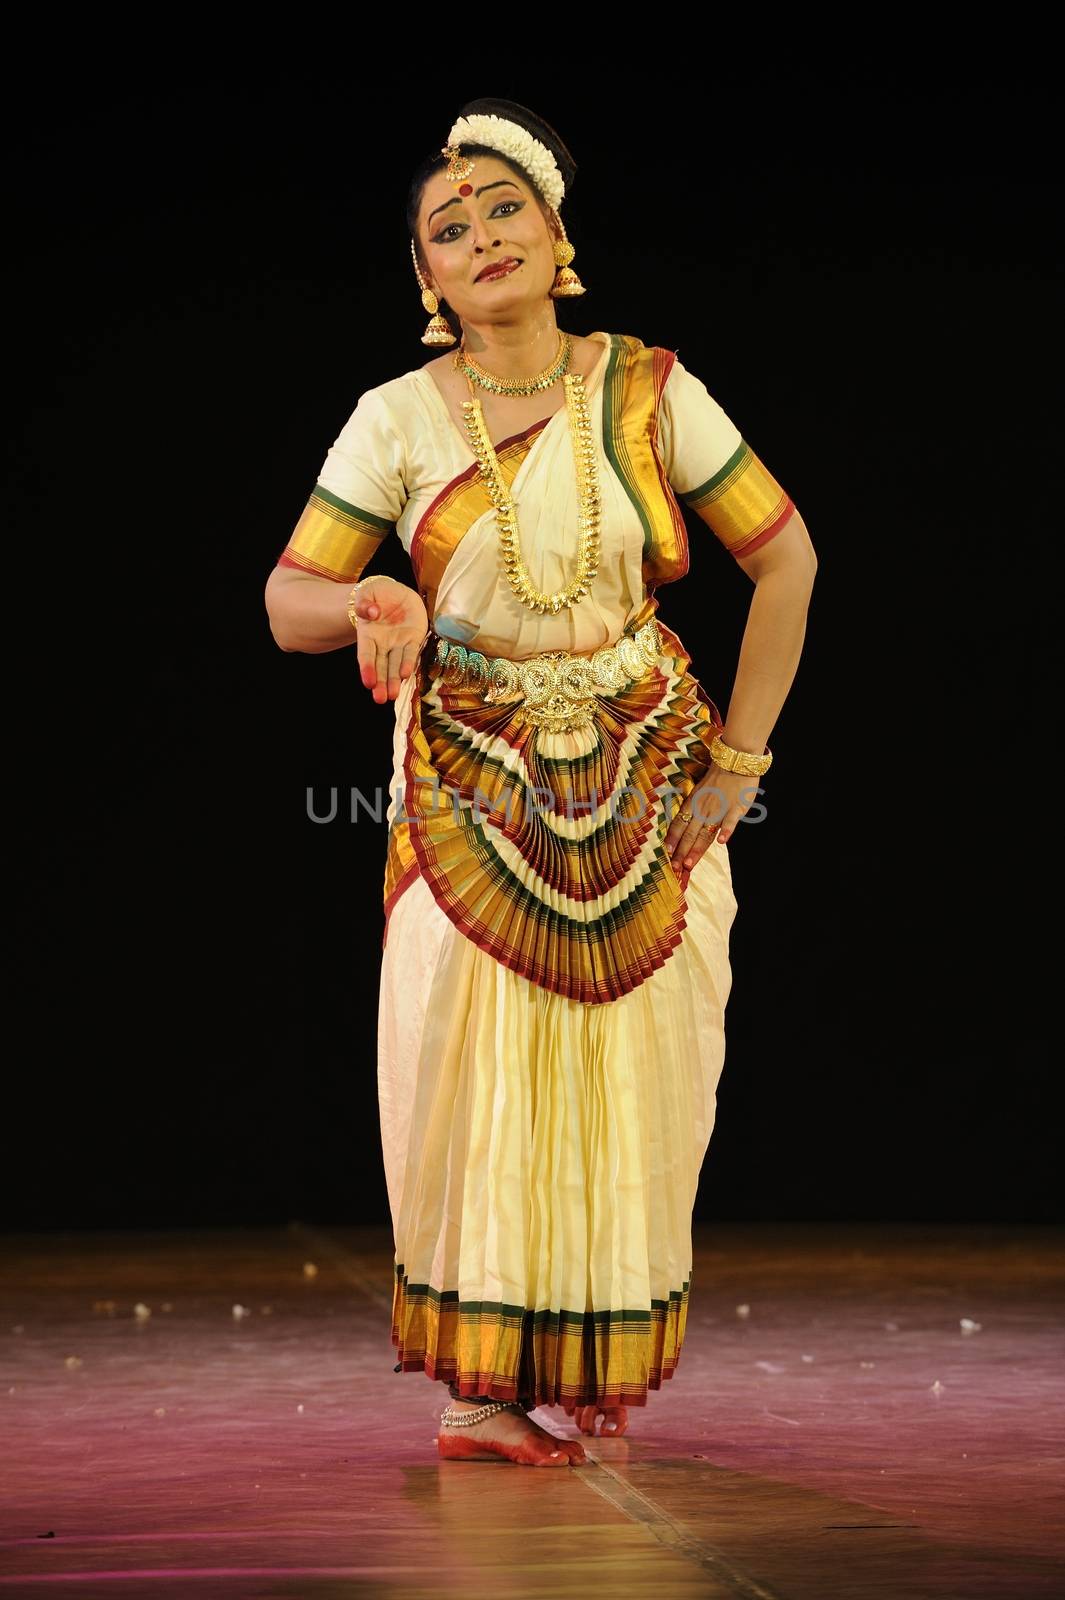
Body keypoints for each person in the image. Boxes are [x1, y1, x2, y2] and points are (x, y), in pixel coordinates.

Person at [264, 97, 818, 1469]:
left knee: (642, 1069)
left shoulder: (645, 388)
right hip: (468, 780)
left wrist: (736, 765)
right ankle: (478, 1386)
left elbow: (786, 559)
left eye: (502, 206)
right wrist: (369, 601)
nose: (479, 234)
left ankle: (576, 1362)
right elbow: (289, 598)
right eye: (446, 229)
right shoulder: (393, 418)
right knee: (469, 1065)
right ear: (425, 281)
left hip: (645, 766)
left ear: (557, 233)